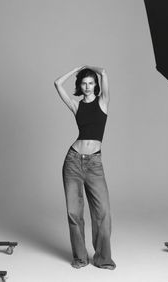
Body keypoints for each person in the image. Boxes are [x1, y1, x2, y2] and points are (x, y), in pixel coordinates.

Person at [54, 65, 116, 270]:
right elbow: (57, 83)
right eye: (84, 83)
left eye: (91, 83)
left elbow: (104, 72)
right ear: (79, 85)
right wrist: (77, 68)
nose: (88, 86)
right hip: (73, 161)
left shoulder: (103, 102)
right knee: (74, 212)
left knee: (103, 213)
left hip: (94, 163)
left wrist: (92, 68)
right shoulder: (76, 105)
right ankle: (80, 258)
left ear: (96, 85)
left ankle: (103, 259)